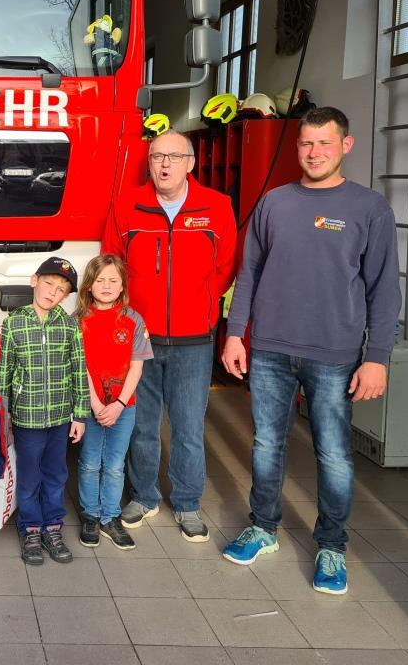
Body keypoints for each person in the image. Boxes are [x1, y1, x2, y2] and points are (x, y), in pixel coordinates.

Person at [221, 107, 400, 595]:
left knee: (335, 454)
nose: (314, 152)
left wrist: (377, 357)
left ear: (346, 145)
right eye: (306, 143)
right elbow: (249, 273)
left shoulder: (370, 208)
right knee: (266, 445)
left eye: (324, 143)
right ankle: (263, 528)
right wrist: (235, 333)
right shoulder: (274, 203)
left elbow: (384, 290)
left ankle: (332, 547)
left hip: (335, 353)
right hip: (270, 349)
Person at [103, 129, 236, 542]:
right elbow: (111, 264)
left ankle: (188, 502)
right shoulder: (127, 205)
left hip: (194, 339)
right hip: (140, 339)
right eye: (157, 156)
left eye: (174, 156)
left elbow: (226, 266)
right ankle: (144, 496)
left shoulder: (216, 206)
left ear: (190, 163)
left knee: (188, 427)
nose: (164, 164)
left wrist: (201, 304)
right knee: (142, 425)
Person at [0, 257, 89, 565]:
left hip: (60, 417)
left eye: (61, 289)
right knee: (29, 475)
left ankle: (52, 527)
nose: (53, 292)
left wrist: (80, 415)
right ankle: (31, 528)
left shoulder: (69, 325)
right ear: (34, 281)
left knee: (56, 474)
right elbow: (5, 373)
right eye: (49, 284)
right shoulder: (14, 322)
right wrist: (4, 414)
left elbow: (79, 371)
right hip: (27, 418)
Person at [76, 253, 153, 551]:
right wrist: (95, 404)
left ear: (122, 286)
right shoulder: (78, 321)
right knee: (89, 462)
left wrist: (119, 403)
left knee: (114, 465)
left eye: (113, 280)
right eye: (100, 280)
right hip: (89, 405)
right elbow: (79, 366)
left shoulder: (134, 320)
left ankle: (110, 517)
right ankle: (90, 515)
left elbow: (137, 366)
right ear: (89, 285)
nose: (106, 286)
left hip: (124, 406)